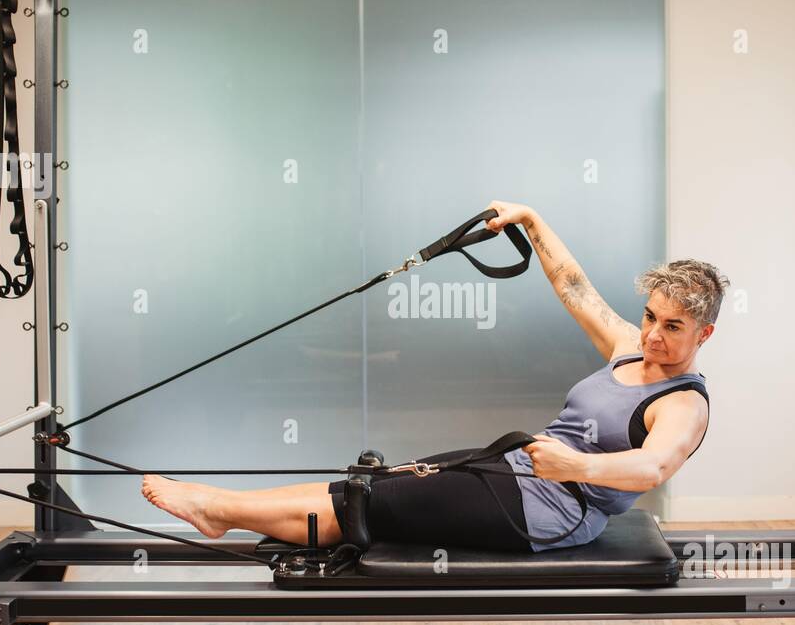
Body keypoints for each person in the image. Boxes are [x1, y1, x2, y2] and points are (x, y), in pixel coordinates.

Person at [142, 201, 725, 553]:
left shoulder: (682, 405)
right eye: (650, 315)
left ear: (704, 335)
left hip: (552, 511)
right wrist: (531, 219)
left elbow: (653, 466)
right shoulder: (631, 349)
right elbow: (573, 286)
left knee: (366, 508)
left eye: (673, 326)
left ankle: (218, 513)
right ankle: (221, 505)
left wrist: (579, 466)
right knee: (370, 481)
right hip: (521, 466)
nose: (653, 334)